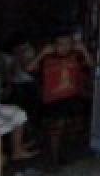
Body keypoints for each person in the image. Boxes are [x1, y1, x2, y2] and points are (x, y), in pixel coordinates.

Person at [28, 31, 93, 165]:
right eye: (60, 44)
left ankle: (63, 154)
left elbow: (91, 65)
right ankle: (54, 159)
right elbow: (29, 68)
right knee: (55, 130)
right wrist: (42, 53)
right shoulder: (47, 58)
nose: (64, 47)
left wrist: (84, 50)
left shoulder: (75, 56)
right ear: (53, 45)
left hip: (71, 97)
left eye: (68, 44)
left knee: (73, 127)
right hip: (52, 100)